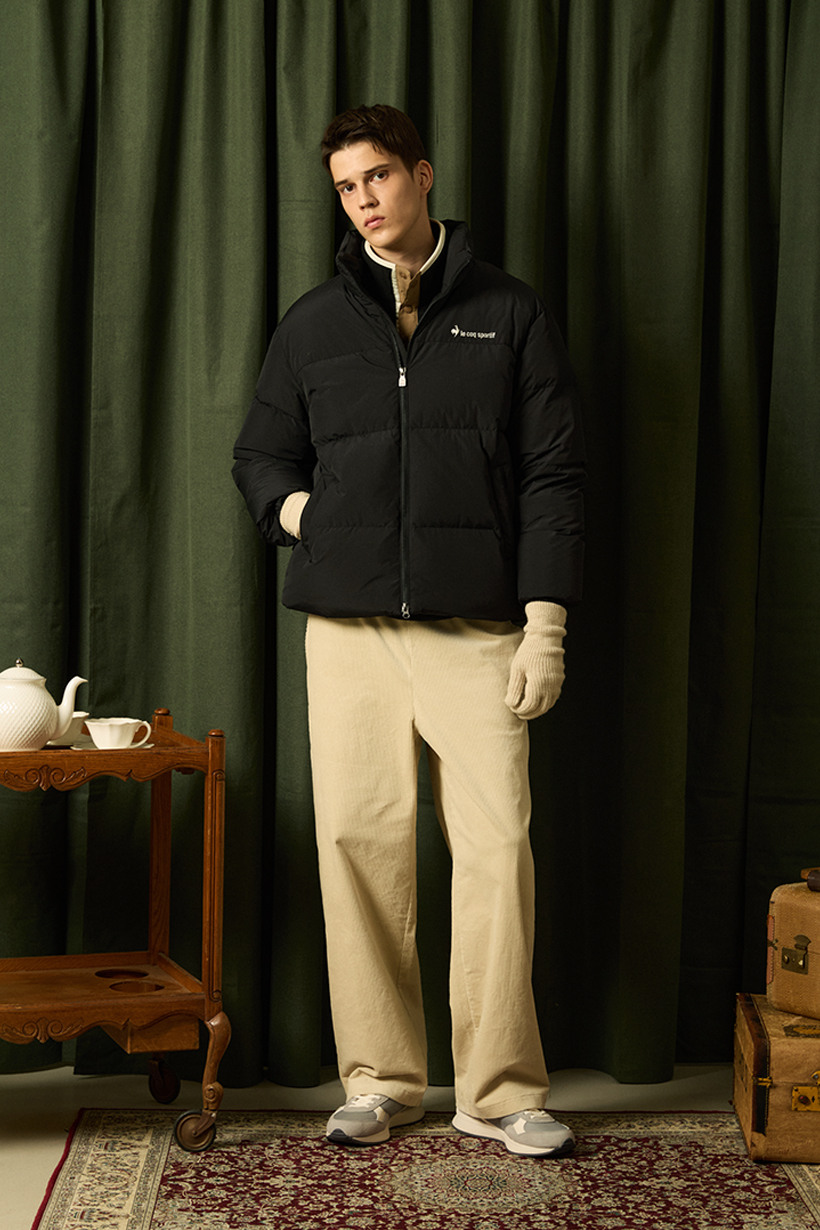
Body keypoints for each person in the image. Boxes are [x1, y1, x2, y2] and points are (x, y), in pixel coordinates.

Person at [233, 104, 585, 1159]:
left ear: (422, 176)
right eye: (346, 187)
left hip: (478, 631)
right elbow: (261, 456)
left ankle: (500, 1090)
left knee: (498, 851)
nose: (364, 200)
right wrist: (309, 517)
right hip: (347, 635)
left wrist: (546, 623)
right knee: (359, 847)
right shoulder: (311, 324)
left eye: (379, 176)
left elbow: (554, 474)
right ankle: (380, 1081)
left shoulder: (508, 312)